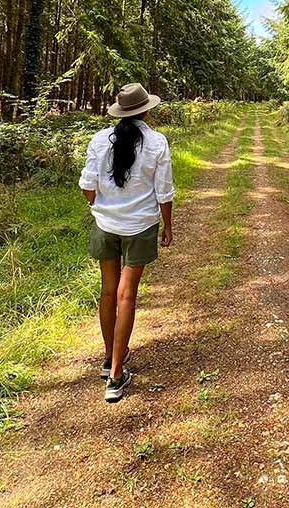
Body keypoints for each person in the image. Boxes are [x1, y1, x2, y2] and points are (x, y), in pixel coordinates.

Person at [79, 82, 174, 403]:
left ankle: (109, 359)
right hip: (140, 226)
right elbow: (164, 192)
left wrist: (100, 209)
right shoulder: (157, 142)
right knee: (126, 295)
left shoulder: (99, 139)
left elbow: (87, 185)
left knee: (108, 291)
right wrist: (168, 226)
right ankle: (117, 376)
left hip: (105, 225)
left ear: (120, 112)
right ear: (146, 109)